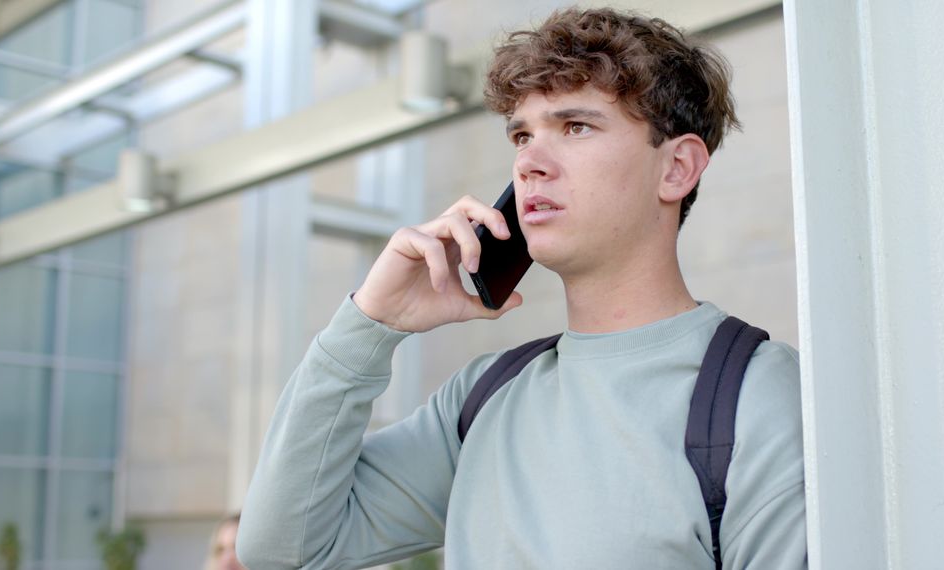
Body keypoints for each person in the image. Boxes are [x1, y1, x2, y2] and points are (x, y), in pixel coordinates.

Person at [237, 6, 804, 569]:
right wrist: (370, 323)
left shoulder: (759, 395)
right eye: (522, 135)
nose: (529, 162)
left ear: (677, 168)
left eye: (575, 127)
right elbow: (281, 551)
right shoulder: (484, 397)